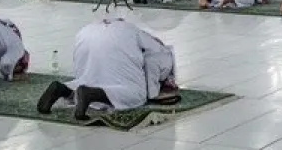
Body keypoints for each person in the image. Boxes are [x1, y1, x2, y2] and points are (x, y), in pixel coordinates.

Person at [36, 16, 178, 117]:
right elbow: (156, 51)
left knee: (86, 80)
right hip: (116, 76)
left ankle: (63, 89)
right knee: (136, 95)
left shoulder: (88, 28)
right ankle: (91, 94)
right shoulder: (132, 30)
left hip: (87, 66)